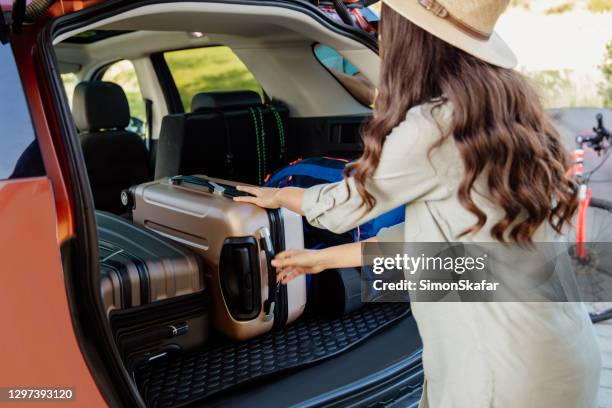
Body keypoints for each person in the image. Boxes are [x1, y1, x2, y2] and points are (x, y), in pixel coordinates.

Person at [235, 0, 602, 406]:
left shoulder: (434, 126)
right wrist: (321, 260)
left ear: (412, 36)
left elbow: (345, 206)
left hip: (503, 370)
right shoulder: (507, 108)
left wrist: (280, 194)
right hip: (563, 351)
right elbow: (440, 247)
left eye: (387, 24)